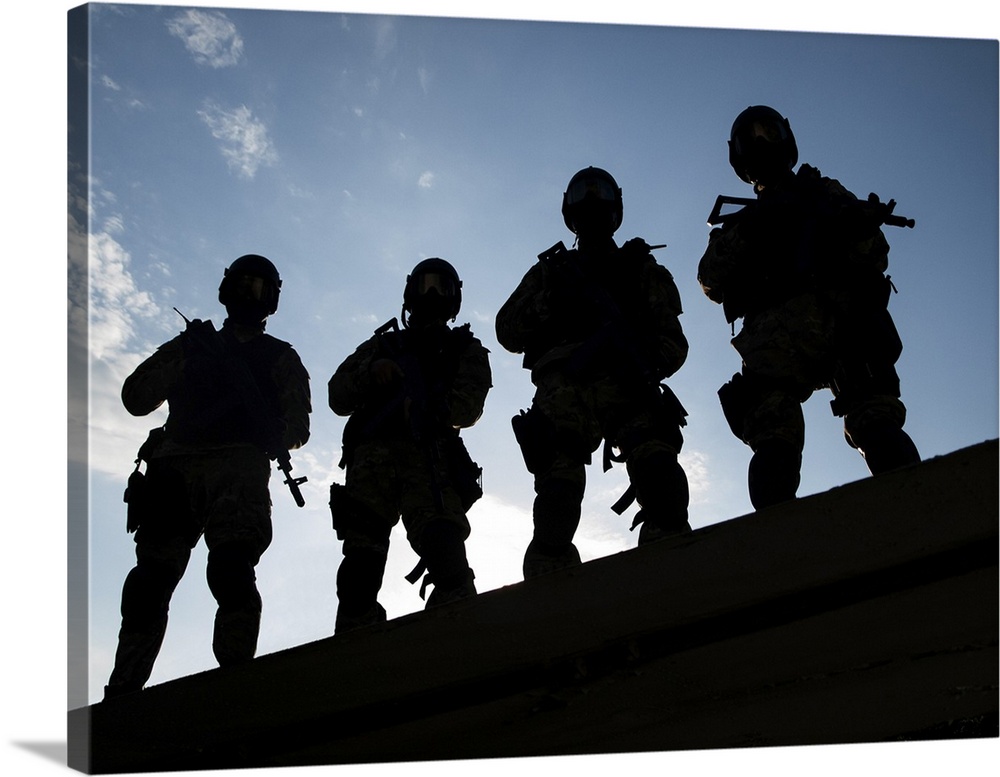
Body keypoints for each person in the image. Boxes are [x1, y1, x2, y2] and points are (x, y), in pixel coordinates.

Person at [104, 254, 311, 699]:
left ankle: (233, 682)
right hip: (174, 469)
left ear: (270, 299)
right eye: (242, 284)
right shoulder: (192, 344)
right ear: (226, 289)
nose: (248, 295)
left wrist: (264, 426)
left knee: (232, 572)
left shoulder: (279, 358)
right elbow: (136, 398)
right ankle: (122, 690)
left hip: (238, 470)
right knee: (149, 583)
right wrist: (186, 356)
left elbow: (298, 429)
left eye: (258, 288)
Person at [697, 105, 920, 511]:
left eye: (770, 132)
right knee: (774, 444)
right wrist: (755, 226)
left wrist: (859, 227)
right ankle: (777, 548)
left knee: (877, 422)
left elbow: (875, 257)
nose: (763, 142)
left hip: (843, 325)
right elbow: (710, 279)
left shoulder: (823, 193)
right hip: (778, 342)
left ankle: (915, 512)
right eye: (754, 137)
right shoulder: (742, 221)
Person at [495, 166, 691, 580]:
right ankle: (550, 597)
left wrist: (638, 357)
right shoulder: (552, 271)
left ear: (615, 207)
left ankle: (673, 577)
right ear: (570, 210)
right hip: (564, 386)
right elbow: (507, 330)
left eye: (599, 193)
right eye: (583, 195)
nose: (592, 202)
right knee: (557, 500)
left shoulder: (642, 270)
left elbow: (673, 345)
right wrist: (552, 301)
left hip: (629, 383)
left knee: (663, 483)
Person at [328, 258, 491, 632]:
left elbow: (468, 407)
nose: (432, 294)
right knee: (358, 573)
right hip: (372, 463)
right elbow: (338, 395)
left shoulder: (464, 348)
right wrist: (372, 374)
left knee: (446, 552)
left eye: (442, 286)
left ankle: (462, 639)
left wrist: (427, 408)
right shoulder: (382, 345)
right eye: (425, 284)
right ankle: (354, 654)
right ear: (410, 292)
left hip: (429, 460)